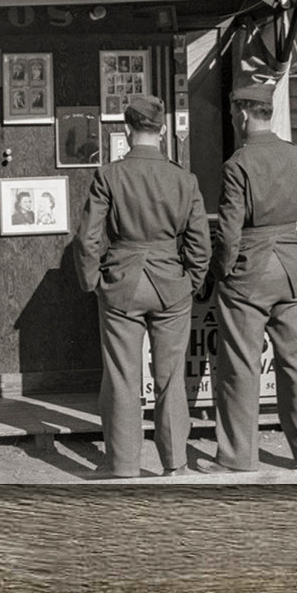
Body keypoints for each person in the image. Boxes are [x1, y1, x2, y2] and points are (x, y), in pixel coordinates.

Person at [196, 83, 297, 474]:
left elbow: (229, 233)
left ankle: (237, 458)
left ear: (242, 115)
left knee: (240, 365)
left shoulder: (237, 164)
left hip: (249, 273)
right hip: (291, 270)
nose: (233, 120)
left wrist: (220, 271)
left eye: (233, 114)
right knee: (296, 360)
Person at [75, 94, 210, 478]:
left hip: (122, 284)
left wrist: (92, 281)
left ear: (126, 129)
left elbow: (87, 238)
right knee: (170, 378)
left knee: (122, 377)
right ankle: (175, 464)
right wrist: (190, 282)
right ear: (163, 131)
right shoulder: (184, 179)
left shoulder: (109, 175)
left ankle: (123, 466)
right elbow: (200, 244)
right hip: (171, 286)